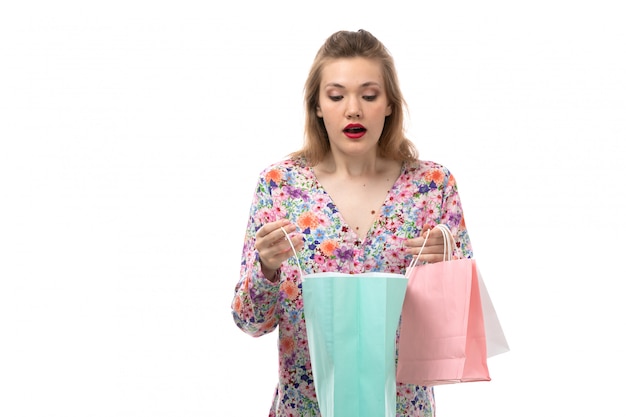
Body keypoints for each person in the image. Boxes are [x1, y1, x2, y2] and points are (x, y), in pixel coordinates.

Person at [231, 29, 473, 417]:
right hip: (305, 408)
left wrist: (448, 266)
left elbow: (457, 326)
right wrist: (267, 268)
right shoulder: (280, 186)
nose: (353, 109)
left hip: (403, 408)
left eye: (369, 94)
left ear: (390, 104)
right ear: (317, 106)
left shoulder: (432, 187)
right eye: (337, 95)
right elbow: (250, 322)